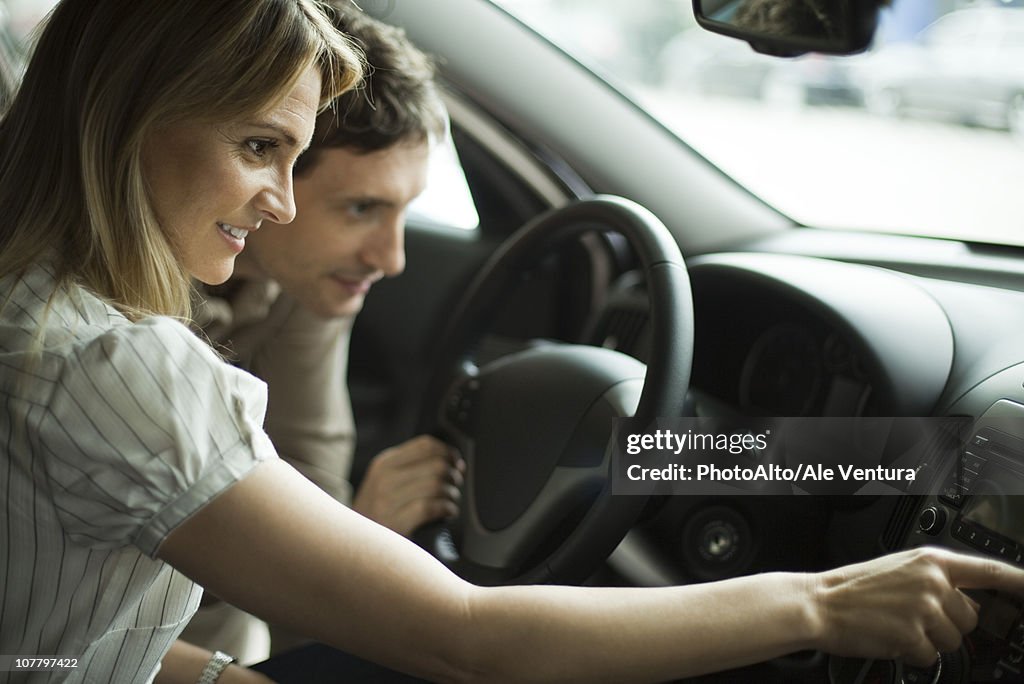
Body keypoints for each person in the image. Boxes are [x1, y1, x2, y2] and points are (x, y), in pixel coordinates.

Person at [3, 1, 1024, 684]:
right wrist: (821, 598)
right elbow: (467, 635)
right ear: (125, 119)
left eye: (291, 155)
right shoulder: (119, 363)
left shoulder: (44, 307)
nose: (275, 201)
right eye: (259, 149)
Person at [180, 7, 460, 661]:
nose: (390, 259)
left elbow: (308, 467)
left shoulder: (307, 283)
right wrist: (347, 546)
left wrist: (348, 537)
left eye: (403, 211)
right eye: (361, 209)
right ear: (267, 159)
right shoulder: (118, 314)